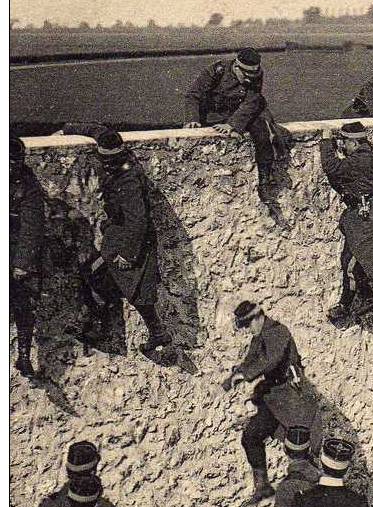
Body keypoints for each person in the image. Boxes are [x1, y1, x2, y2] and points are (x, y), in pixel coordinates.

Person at [59, 122, 170, 357]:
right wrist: (66, 130)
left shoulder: (128, 180)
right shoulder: (110, 140)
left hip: (129, 243)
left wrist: (128, 255)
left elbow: (138, 220)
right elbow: (95, 130)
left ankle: (151, 331)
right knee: (101, 277)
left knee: (135, 290)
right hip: (118, 239)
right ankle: (103, 323)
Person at [223, 301, 321, 505]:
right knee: (251, 436)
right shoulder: (259, 337)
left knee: (303, 450)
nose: (248, 330)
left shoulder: (277, 331)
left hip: (293, 398)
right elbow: (251, 360)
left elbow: (271, 360)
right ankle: (262, 486)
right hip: (273, 399)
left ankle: (318, 496)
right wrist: (234, 376)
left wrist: (247, 375)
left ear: (258, 317)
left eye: (249, 325)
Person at [184, 48, 289, 205]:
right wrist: (193, 119)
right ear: (236, 67)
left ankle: (264, 183)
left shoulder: (257, 73)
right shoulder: (217, 70)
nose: (249, 80)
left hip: (242, 113)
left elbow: (251, 101)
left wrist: (233, 125)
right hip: (216, 114)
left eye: (252, 76)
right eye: (245, 76)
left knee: (263, 134)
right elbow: (194, 94)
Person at [318, 123, 373, 326]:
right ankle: (362, 298)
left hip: (367, 218)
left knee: (353, 262)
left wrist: (326, 142)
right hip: (362, 215)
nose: (343, 146)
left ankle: (356, 301)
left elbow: (332, 168)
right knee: (349, 259)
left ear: (354, 141)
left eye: (345, 142)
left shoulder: (362, 159)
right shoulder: (365, 154)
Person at [10, 136, 45, 376]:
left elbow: (32, 225)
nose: (11, 166)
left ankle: (24, 354)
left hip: (14, 251)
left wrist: (22, 263)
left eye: (15, 162)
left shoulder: (28, 184)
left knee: (25, 301)